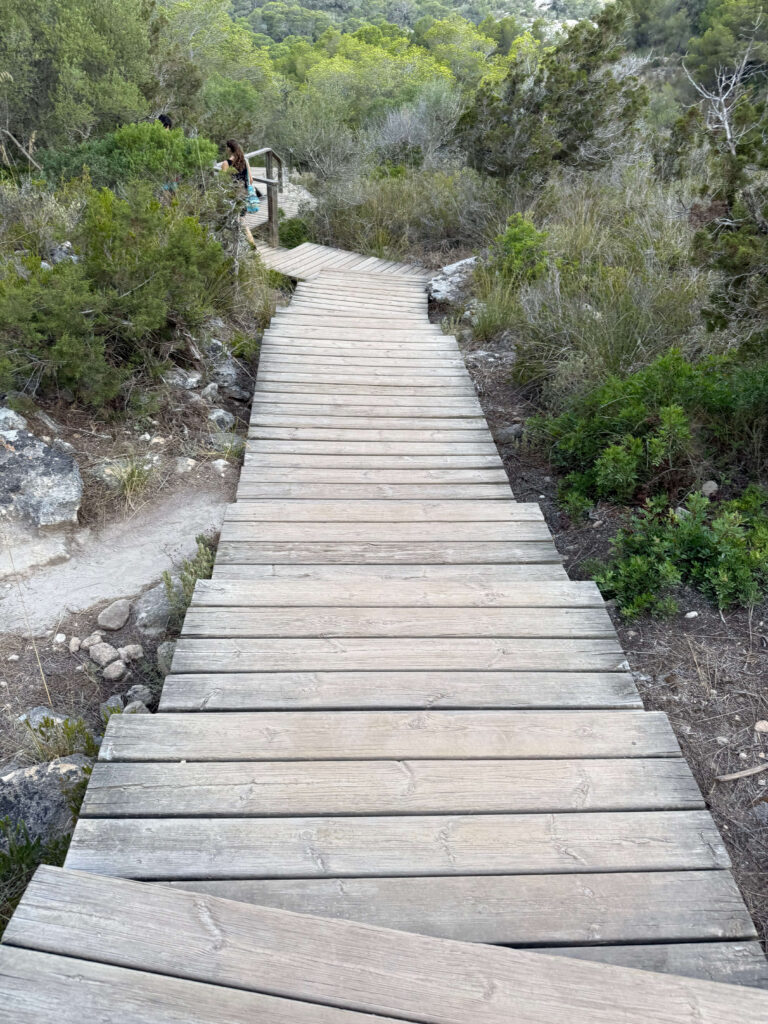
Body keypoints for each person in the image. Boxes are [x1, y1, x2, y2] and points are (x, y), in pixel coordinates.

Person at [220, 140, 261, 246]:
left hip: (232, 197)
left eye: (226, 147)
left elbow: (222, 182)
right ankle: (251, 244)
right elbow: (250, 180)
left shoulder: (226, 163)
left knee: (230, 221)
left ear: (229, 149)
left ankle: (236, 247)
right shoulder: (244, 161)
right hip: (244, 194)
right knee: (241, 220)